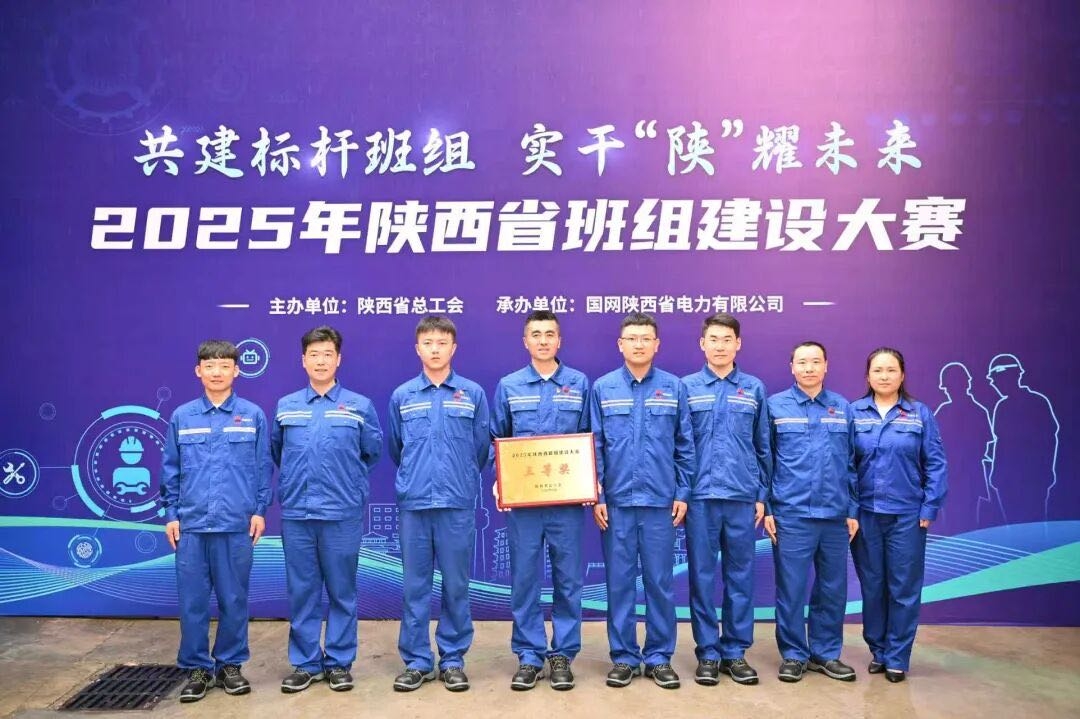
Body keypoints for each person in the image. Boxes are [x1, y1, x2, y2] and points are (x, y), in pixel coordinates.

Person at [271, 326, 383, 693]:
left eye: (327, 354)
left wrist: (345, 483)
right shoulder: (286, 406)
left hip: (342, 514)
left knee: (341, 591)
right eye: (314, 355)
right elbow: (277, 452)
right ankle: (305, 663)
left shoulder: (359, 406)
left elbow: (371, 453)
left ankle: (338, 662)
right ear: (303, 360)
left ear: (339, 359)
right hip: (298, 515)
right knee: (302, 592)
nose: (321, 361)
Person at [161, 339, 272, 702]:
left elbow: (262, 468)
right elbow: (171, 470)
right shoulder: (182, 417)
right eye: (210, 366)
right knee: (192, 603)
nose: (217, 372)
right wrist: (171, 514)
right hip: (191, 527)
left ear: (236, 370)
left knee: (234, 599)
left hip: (235, 525)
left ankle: (229, 665)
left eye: (225, 365)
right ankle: (197, 669)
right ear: (199, 371)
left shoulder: (253, 416)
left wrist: (259, 510)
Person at [591, 312, 695, 689]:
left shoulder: (673, 388)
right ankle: (623, 657)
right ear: (620, 344)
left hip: (659, 504)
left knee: (659, 583)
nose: (639, 344)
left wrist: (682, 492)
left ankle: (658, 657)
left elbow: (685, 445)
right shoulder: (603, 388)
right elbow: (595, 445)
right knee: (619, 584)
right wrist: (598, 494)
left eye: (645, 338)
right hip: (617, 504)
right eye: (632, 338)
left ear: (657, 345)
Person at [388, 315, 491, 693]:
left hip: (456, 503)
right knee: (414, 586)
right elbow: (396, 447)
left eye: (442, 343)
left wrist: (458, 477)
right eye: (428, 343)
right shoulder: (403, 396)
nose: (435, 349)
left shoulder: (472, 394)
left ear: (453, 348)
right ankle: (417, 661)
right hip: (415, 505)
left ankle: (452, 659)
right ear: (418, 349)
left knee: (456, 585)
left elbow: (481, 448)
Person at [491, 310, 589, 691]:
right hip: (525, 506)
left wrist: (590, 481)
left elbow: (589, 438)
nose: (543, 340)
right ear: (525, 341)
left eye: (550, 334)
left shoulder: (579, 384)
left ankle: (563, 654)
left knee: (568, 580)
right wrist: (501, 479)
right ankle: (530, 655)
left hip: (567, 505)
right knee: (525, 579)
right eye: (536, 334)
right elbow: (496, 438)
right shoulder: (510, 386)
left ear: (559, 340)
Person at [681, 313, 771, 686]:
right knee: (701, 577)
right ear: (702, 344)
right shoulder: (686, 388)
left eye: (727, 339)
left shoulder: (753, 389)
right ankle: (707, 652)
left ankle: (734, 651)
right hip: (699, 497)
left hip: (741, 497)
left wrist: (762, 494)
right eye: (713, 339)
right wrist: (682, 491)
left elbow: (763, 446)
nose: (720, 346)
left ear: (738, 344)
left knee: (740, 576)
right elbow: (679, 446)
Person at [850, 347, 948, 683]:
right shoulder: (854, 413)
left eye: (891, 370)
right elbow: (845, 465)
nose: (884, 376)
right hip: (865, 515)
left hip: (907, 516)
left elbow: (936, 463)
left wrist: (929, 506)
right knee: (872, 586)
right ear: (868, 376)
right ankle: (878, 650)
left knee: (903, 588)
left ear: (902, 375)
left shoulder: (920, 414)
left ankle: (898, 656)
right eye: (877, 370)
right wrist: (849, 509)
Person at [764, 341, 858, 683]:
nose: (809, 368)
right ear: (791, 367)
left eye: (815, 362)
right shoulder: (775, 406)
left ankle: (825, 653)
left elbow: (852, 463)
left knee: (832, 589)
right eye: (802, 362)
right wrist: (769, 508)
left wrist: (852, 509)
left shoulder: (842, 408)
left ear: (826, 366)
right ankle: (793, 654)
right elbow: (765, 461)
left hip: (834, 515)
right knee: (791, 589)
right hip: (791, 514)